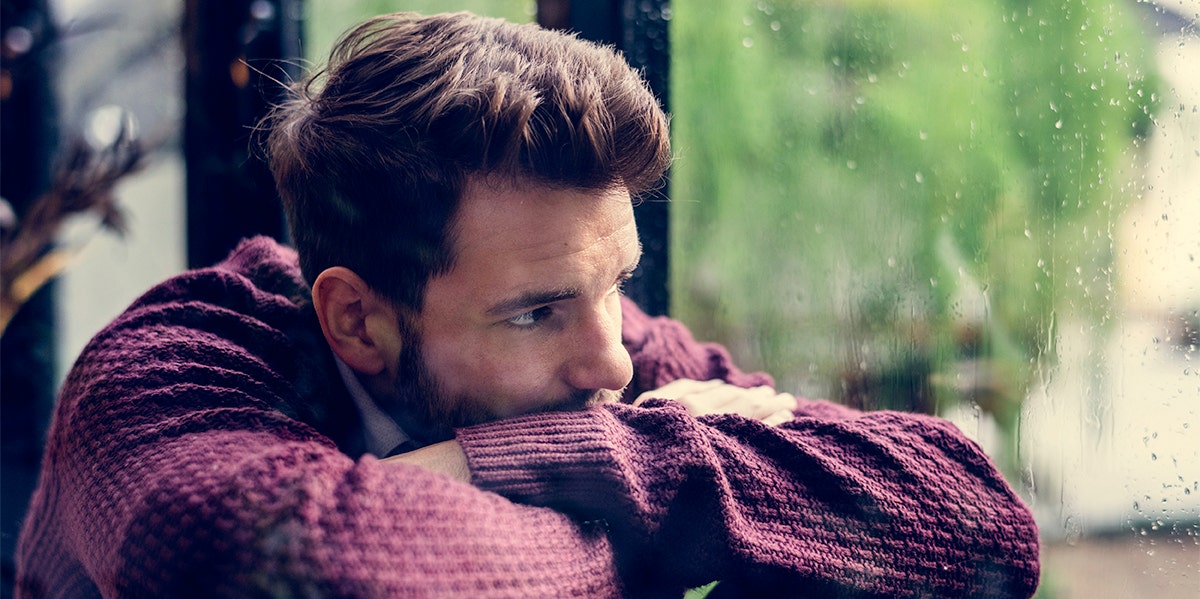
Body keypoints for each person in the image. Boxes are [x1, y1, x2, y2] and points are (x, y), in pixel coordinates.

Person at [15, 11, 1040, 598]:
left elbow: (982, 531)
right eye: (534, 312)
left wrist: (546, 463)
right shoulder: (164, 370)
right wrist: (664, 501)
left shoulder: (615, 351)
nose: (614, 365)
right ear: (357, 320)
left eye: (618, 280)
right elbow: (296, 565)